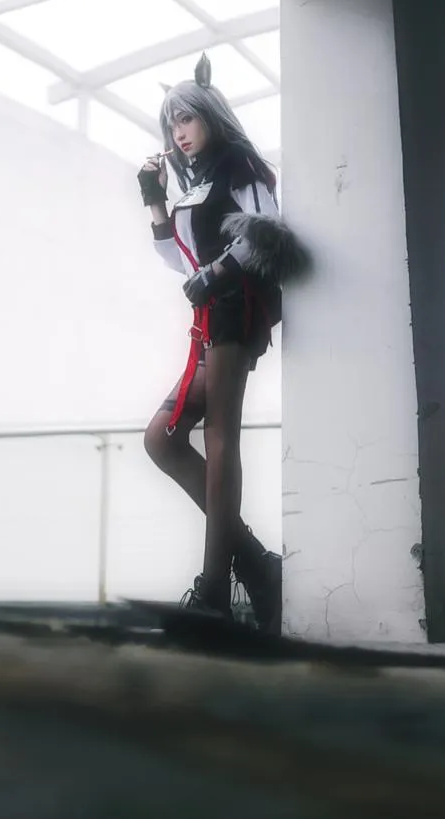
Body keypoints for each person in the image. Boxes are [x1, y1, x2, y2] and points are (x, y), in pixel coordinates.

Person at [136, 53, 311, 634]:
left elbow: (268, 231)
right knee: (161, 439)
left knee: (219, 435)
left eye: (187, 118)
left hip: (236, 309)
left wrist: (216, 274)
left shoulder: (240, 164)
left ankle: (215, 588)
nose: (179, 132)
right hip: (209, 315)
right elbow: (176, 259)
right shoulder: (197, 184)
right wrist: (153, 196)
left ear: (210, 114)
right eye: (172, 124)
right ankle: (256, 565)